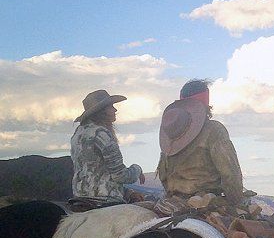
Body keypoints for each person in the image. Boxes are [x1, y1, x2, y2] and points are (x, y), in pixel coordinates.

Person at [156, 79, 244, 207]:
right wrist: (236, 202)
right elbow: (230, 174)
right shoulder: (214, 129)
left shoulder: (171, 134)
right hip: (205, 201)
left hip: (171, 202)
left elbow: (163, 175)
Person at [71, 89, 145, 202]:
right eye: (111, 106)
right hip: (105, 200)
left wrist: (128, 193)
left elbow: (99, 175)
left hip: (80, 198)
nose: (115, 109)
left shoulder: (78, 134)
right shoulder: (102, 134)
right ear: (102, 111)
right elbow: (120, 175)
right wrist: (137, 169)